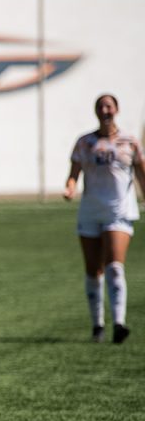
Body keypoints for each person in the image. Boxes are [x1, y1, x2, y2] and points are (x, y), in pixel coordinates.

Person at [63, 94, 145, 344]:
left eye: (109, 106)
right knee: (93, 270)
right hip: (90, 210)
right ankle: (98, 325)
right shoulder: (84, 142)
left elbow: (141, 174)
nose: (105, 110)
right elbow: (74, 174)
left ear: (117, 109)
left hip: (118, 211)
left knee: (114, 266)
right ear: (96, 111)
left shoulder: (129, 142)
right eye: (101, 106)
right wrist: (69, 187)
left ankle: (118, 322)